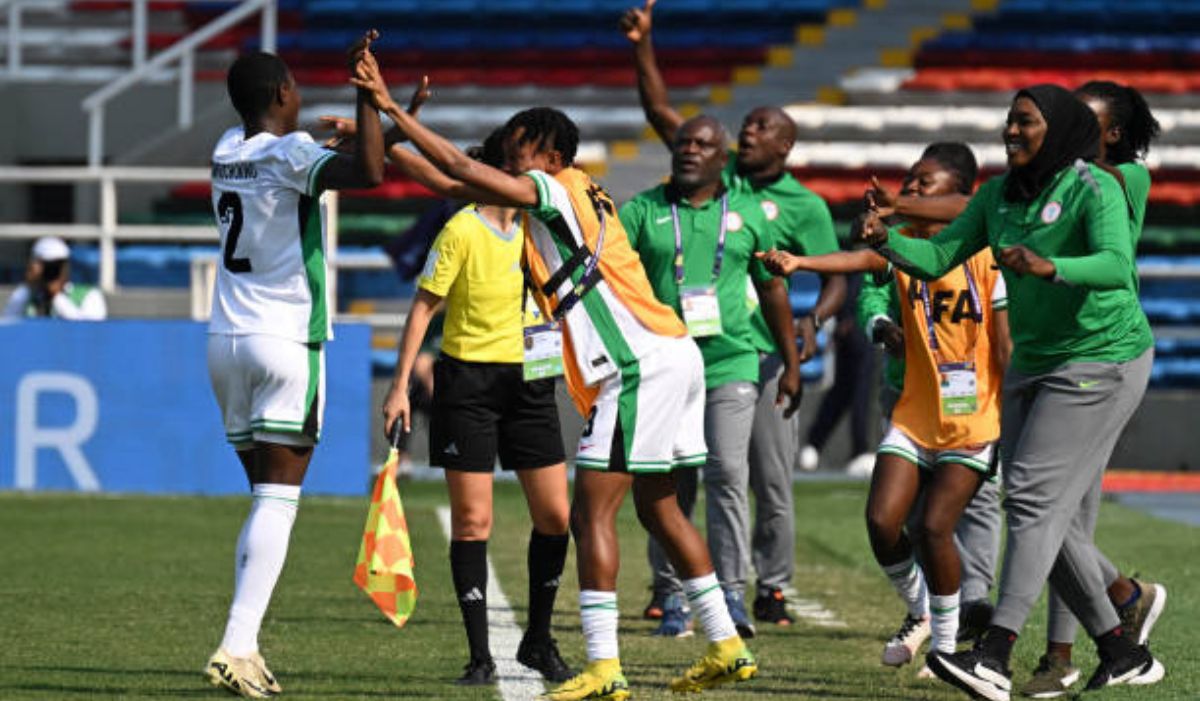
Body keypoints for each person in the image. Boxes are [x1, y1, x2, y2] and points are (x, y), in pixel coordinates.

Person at [351, 50, 758, 700]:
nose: (507, 159)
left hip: (637, 363)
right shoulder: (581, 190)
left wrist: (391, 107)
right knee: (658, 505)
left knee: (590, 511)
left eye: (518, 148)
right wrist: (378, 137)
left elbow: (459, 169)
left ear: (547, 152)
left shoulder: (552, 187)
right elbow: (458, 183)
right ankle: (728, 643)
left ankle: (603, 665)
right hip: (673, 352)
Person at [857, 85, 1163, 701]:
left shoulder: (1096, 186)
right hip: (1036, 360)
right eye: (1009, 120)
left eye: (1026, 122)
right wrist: (887, 244)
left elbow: (1114, 263)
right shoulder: (998, 195)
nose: (1011, 130)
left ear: (1065, 130)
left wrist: (1054, 267)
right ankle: (1121, 647)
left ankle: (994, 654)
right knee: (1038, 516)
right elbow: (941, 251)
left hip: (1102, 358)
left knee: (1027, 504)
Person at [620, 0, 846, 626]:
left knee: (760, 478)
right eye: (742, 128)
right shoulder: (720, 180)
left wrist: (814, 323)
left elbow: (830, 276)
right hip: (683, 350)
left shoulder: (802, 205)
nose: (746, 135)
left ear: (786, 144)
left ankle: (765, 586)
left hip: (758, 354)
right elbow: (663, 113)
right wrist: (644, 46)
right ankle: (674, 586)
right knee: (685, 472)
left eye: (759, 129)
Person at [759, 142, 1011, 668]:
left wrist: (1015, 414)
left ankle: (951, 639)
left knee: (937, 526)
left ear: (959, 194)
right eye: (911, 182)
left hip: (975, 417)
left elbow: (1006, 346)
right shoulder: (901, 248)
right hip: (915, 409)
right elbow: (863, 263)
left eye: (925, 183)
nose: (912, 189)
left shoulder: (988, 251)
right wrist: (800, 260)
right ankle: (924, 611)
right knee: (883, 521)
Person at [203, 36, 385, 698]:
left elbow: (329, 159)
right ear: (283, 93)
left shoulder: (227, 147)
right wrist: (370, 95)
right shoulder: (290, 153)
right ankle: (236, 642)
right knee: (279, 502)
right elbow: (368, 172)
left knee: (264, 499)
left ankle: (244, 642)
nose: (301, 98)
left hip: (225, 339)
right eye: (296, 89)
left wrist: (376, 124)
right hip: (284, 338)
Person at [380, 127, 574, 686]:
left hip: (532, 382)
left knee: (556, 516)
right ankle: (480, 656)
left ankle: (538, 638)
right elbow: (423, 309)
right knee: (473, 520)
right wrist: (399, 388)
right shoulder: (462, 228)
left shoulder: (539, 228)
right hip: (468, 385)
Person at [619, 115, 802, 638]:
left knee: (726, 472)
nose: (690, 150)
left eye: (703, 144)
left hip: (730, 362)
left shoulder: (747, 212)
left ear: (722, 158)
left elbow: (771, 290)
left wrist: (790, 364)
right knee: (671, 480)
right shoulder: (643, 210)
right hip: (662, 364)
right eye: (683, 143)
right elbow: (613, 281)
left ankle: (730, 596)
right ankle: (671, 596)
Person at [1018, 80, 1167, 700]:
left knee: (1054, 513)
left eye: (1081, 116)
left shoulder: (1120, 180)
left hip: (1098, 352)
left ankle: (1067, 650)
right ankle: (1113, 607)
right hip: (1061, 349)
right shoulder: (1061, 181)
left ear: (1109, 134)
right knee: (1053, 513)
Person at [798, 271, 875, 477]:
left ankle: (815, 442)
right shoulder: (857, 254)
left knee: (845, 389)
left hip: (858, 321)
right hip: (858, 324)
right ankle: (859, 449)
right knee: (858, 388)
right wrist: (847, 316)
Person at [3, 237, 106, 320]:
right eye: (48, 266)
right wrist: (28, 288)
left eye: (56, 266)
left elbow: (88, 331)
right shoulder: (25, 296)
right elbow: (8, 329)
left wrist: (56, 296)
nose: (52, 271)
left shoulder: (90, 296)